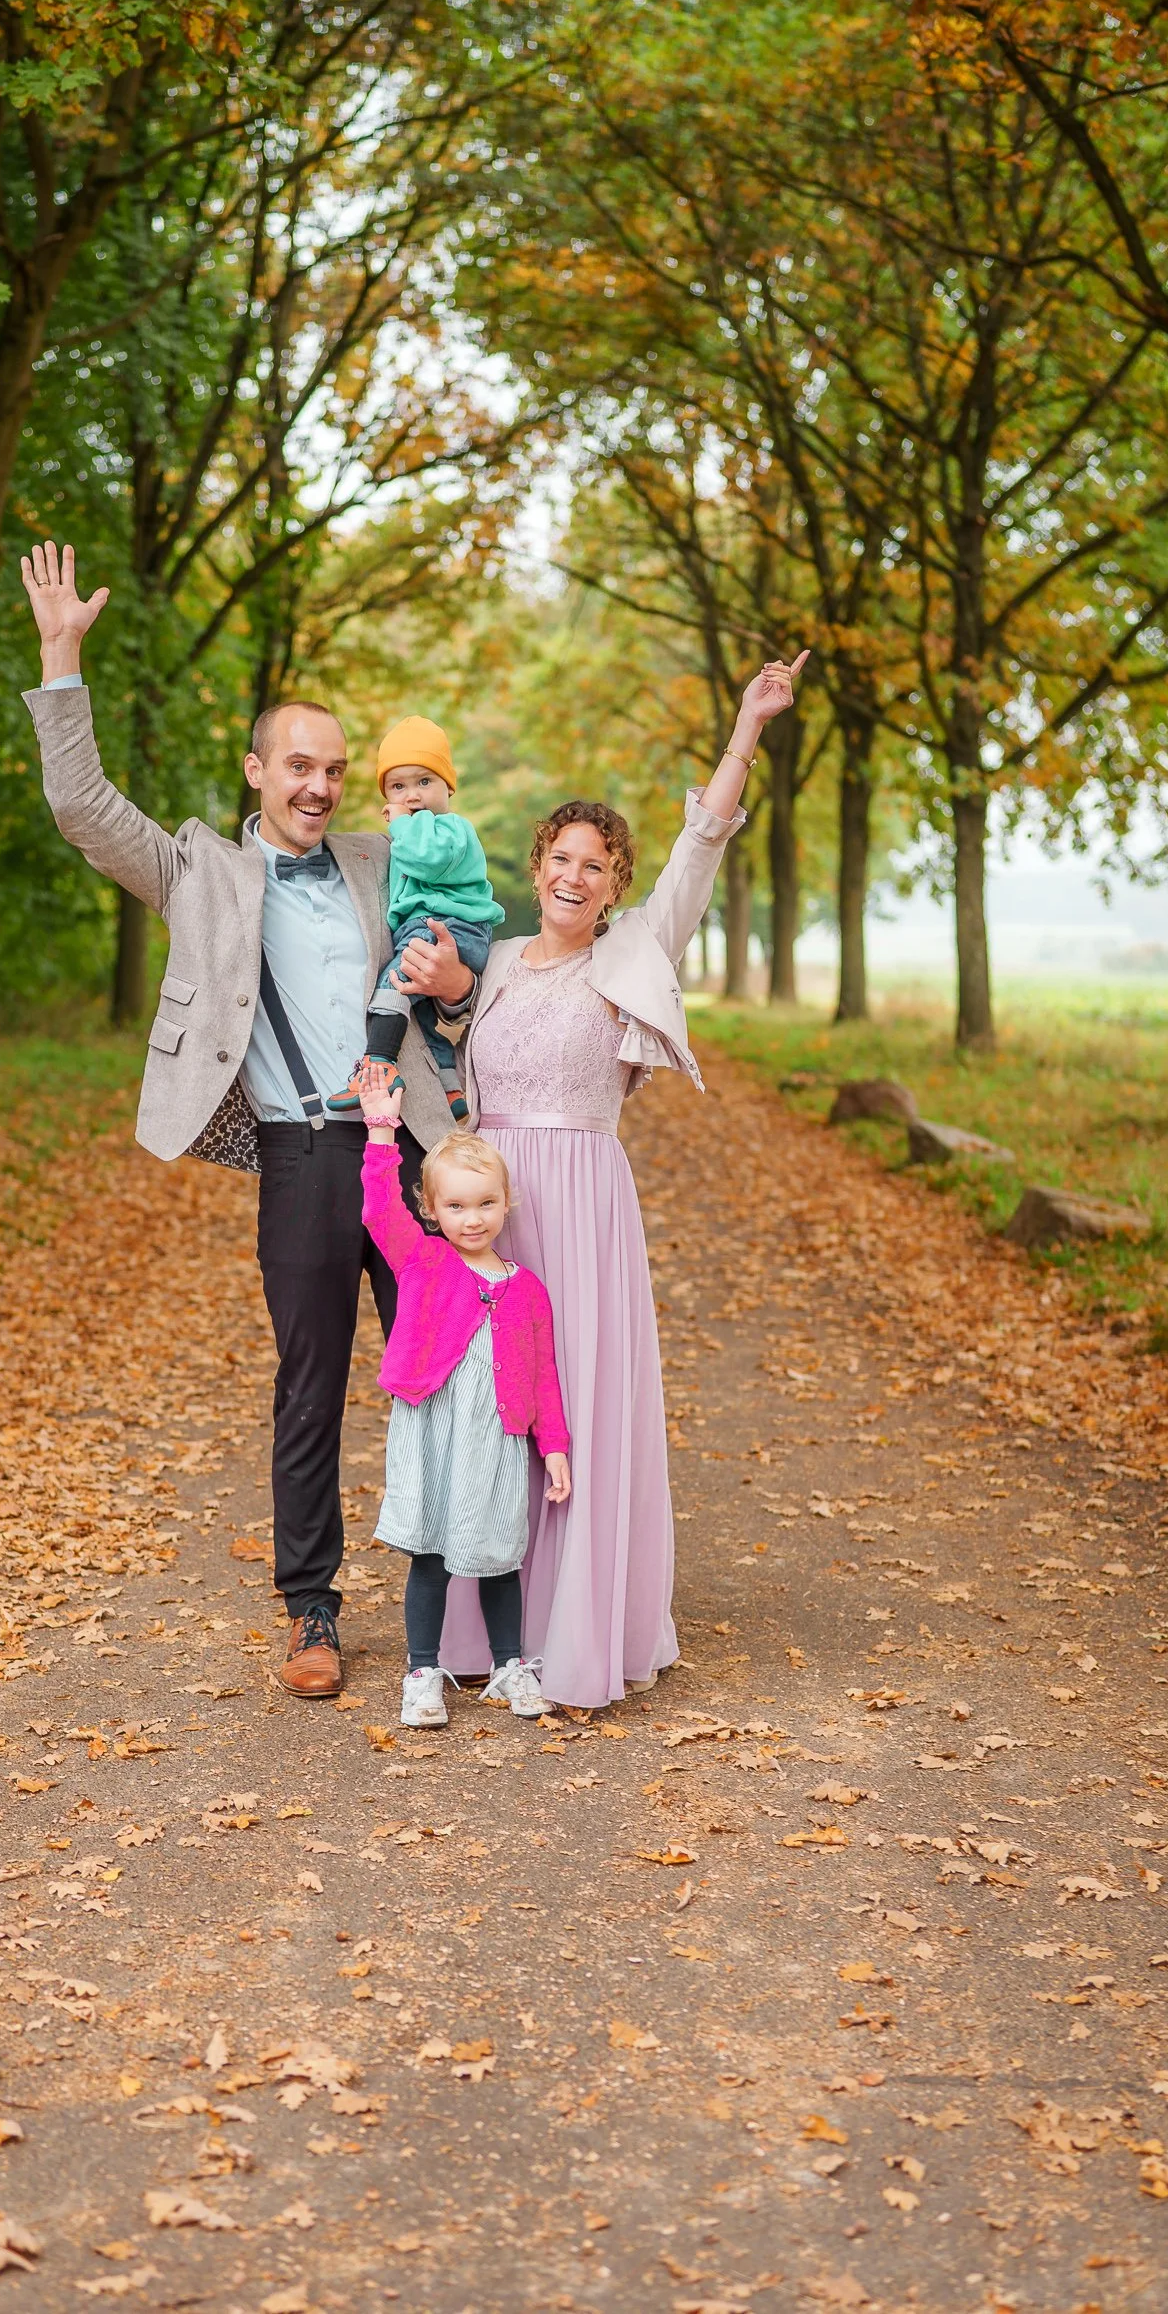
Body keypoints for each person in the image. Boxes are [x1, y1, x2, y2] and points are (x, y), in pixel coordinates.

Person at [17, 540, 477, 1701]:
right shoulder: (200, 872)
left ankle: (470, 1592)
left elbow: (481, 905)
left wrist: (470, 972)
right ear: (256, 771)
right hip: (303, 1152)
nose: (318, 785)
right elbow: (79, 805)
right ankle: (311, 1609)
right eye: (297, 767)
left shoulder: (382, 858)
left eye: (333, 769)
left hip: (409, 1149)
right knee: (310, 1381)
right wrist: (59, 654)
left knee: (448, 1364)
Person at [439, 651, 808, 1710]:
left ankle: (578, 1625)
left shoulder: (640, 949)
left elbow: (702, 843)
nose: (571, 876)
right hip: (494, 1216)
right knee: (492, 1414)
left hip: (584, 1206)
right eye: (558, 857)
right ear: (536, 863)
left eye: (592, 864)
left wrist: (745, 728)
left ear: (613, 882)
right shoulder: (500, 961)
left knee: (576, 1409)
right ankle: (484, 1625)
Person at [358, 1068, 569, 1729]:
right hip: (431, 1425)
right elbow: (375, 1210)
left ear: (507, 1205)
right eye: (455, 1206)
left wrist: (554, 1446)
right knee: (429, 1550)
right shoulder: (421, 1261)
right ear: (431, 1210)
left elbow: (543, 1375)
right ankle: (422, 1672)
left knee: (497, 1551)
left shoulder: (525, 1288)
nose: (470, 1218)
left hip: (499, 1436)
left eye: (484, 1204)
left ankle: (509, 1667)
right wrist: (379, 1131)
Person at [327, 717, 503, 1125]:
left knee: (393, 984)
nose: (412, 797)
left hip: (449, 926)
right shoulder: (416, 832)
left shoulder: (450, 829)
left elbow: (427, 857)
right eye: (398, 787)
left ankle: (377, 1065)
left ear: (448, 787)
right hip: (425, 928)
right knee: (420, 1021)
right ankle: (449, 1086)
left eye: (424, 782)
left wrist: (402, 823)